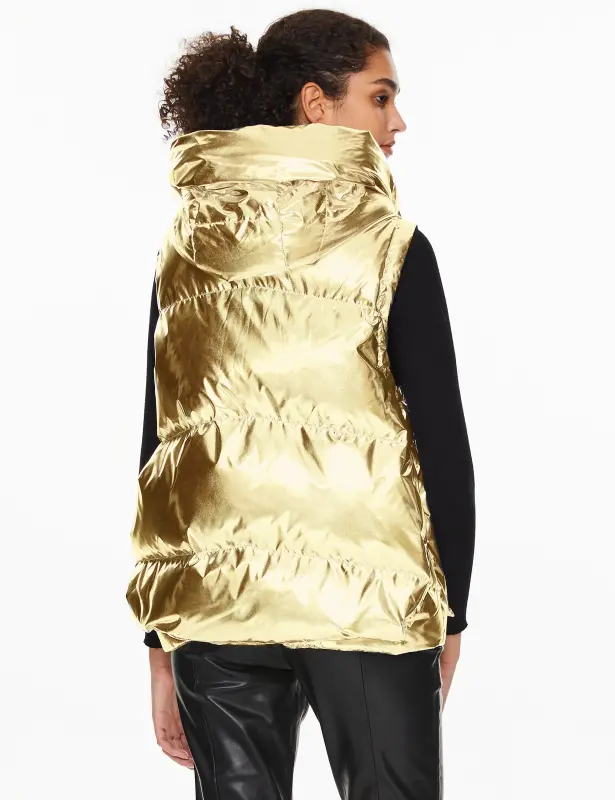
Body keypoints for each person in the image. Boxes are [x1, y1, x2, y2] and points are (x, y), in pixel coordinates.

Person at [126, 9, 475, 799]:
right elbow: (441, 446)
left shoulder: (187, 245)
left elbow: (163, 447)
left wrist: (160, 638)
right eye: (380, 97)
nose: (397, 121)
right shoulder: (391, 247)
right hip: (369, 599)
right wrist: (448, 611)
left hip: (216, 607)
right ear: (316, 104)